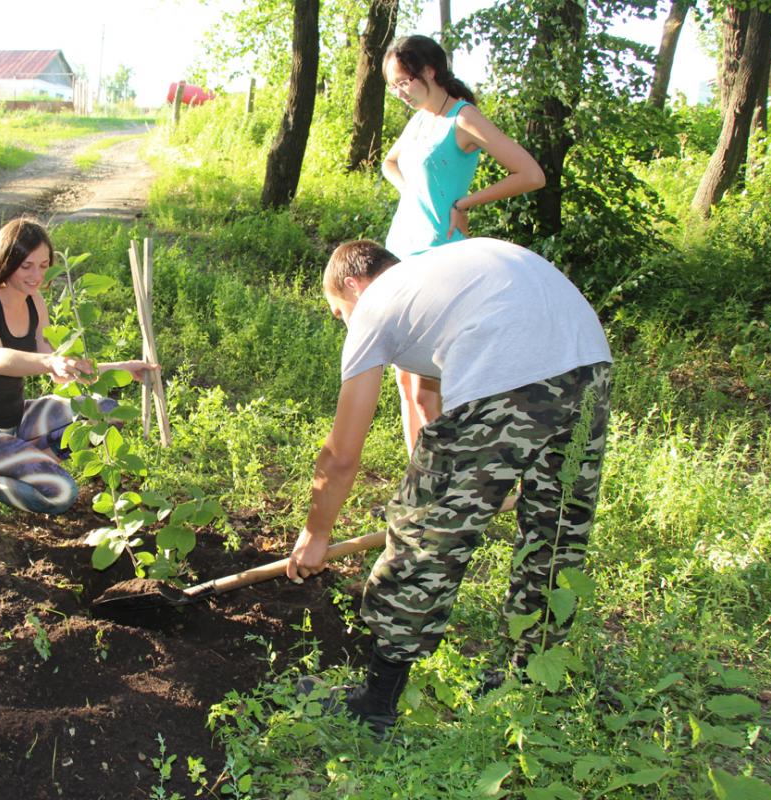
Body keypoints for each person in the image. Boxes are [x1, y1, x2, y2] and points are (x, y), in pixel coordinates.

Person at [286, 237, 611, 734]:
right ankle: (532, 678)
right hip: (589, 362)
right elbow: (425, 401)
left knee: (422, 537)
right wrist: (480, 479)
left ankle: (376, 702)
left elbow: (342, 452)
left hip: (510, 369)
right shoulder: (438, 279)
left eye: (338, 312)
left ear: (352, 286)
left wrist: (315, 535)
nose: (344, 322)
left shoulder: (374, 306)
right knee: (556, 527)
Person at [381, 35, 545, 457]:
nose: (400, 93)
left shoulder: (462, 118)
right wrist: (412, 195)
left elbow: (530, 174)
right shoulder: (419, 119)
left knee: (427, 386)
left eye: (404, 82)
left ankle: (441, 479)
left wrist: (466, 202)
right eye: (393, 86)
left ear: (430, 72)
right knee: (405, 381)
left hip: (439, 258)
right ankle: (415, 475)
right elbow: (390, 162)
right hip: (400, 253)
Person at [0, 218, 156, 524]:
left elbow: (56, 367)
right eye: (26, 266)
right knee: (60, 493)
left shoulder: (35, 302)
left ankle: (30, 459)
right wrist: (50, 362)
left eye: (43, 265)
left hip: (17, 418)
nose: (36, 275)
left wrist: (119, 368)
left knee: (107, 410)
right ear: (5, 260)